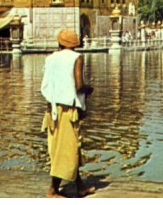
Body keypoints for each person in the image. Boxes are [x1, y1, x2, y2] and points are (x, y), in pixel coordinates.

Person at [40, 29, 95, 198]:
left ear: (60, 43)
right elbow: (78, 86)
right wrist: (88, 89)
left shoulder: (50, 58)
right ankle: (53, 190)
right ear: (75, 45)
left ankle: (80, 186)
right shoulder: (76, 58)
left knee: (66, 147)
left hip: (52, 109)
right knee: (67, 149)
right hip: (67, 110)